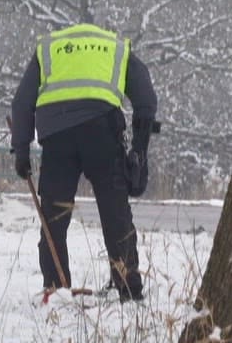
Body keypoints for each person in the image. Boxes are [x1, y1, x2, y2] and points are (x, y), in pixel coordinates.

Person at [9, 21, 157, 301]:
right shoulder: (116, 47)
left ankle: (56, 286)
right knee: (115, 211)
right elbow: (146, 100)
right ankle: (127, 284)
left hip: (57, 135)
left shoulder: (48, 48)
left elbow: (22, 103)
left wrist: (21, 150)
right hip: (102, 131)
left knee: (55, 213)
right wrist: (139, 150)